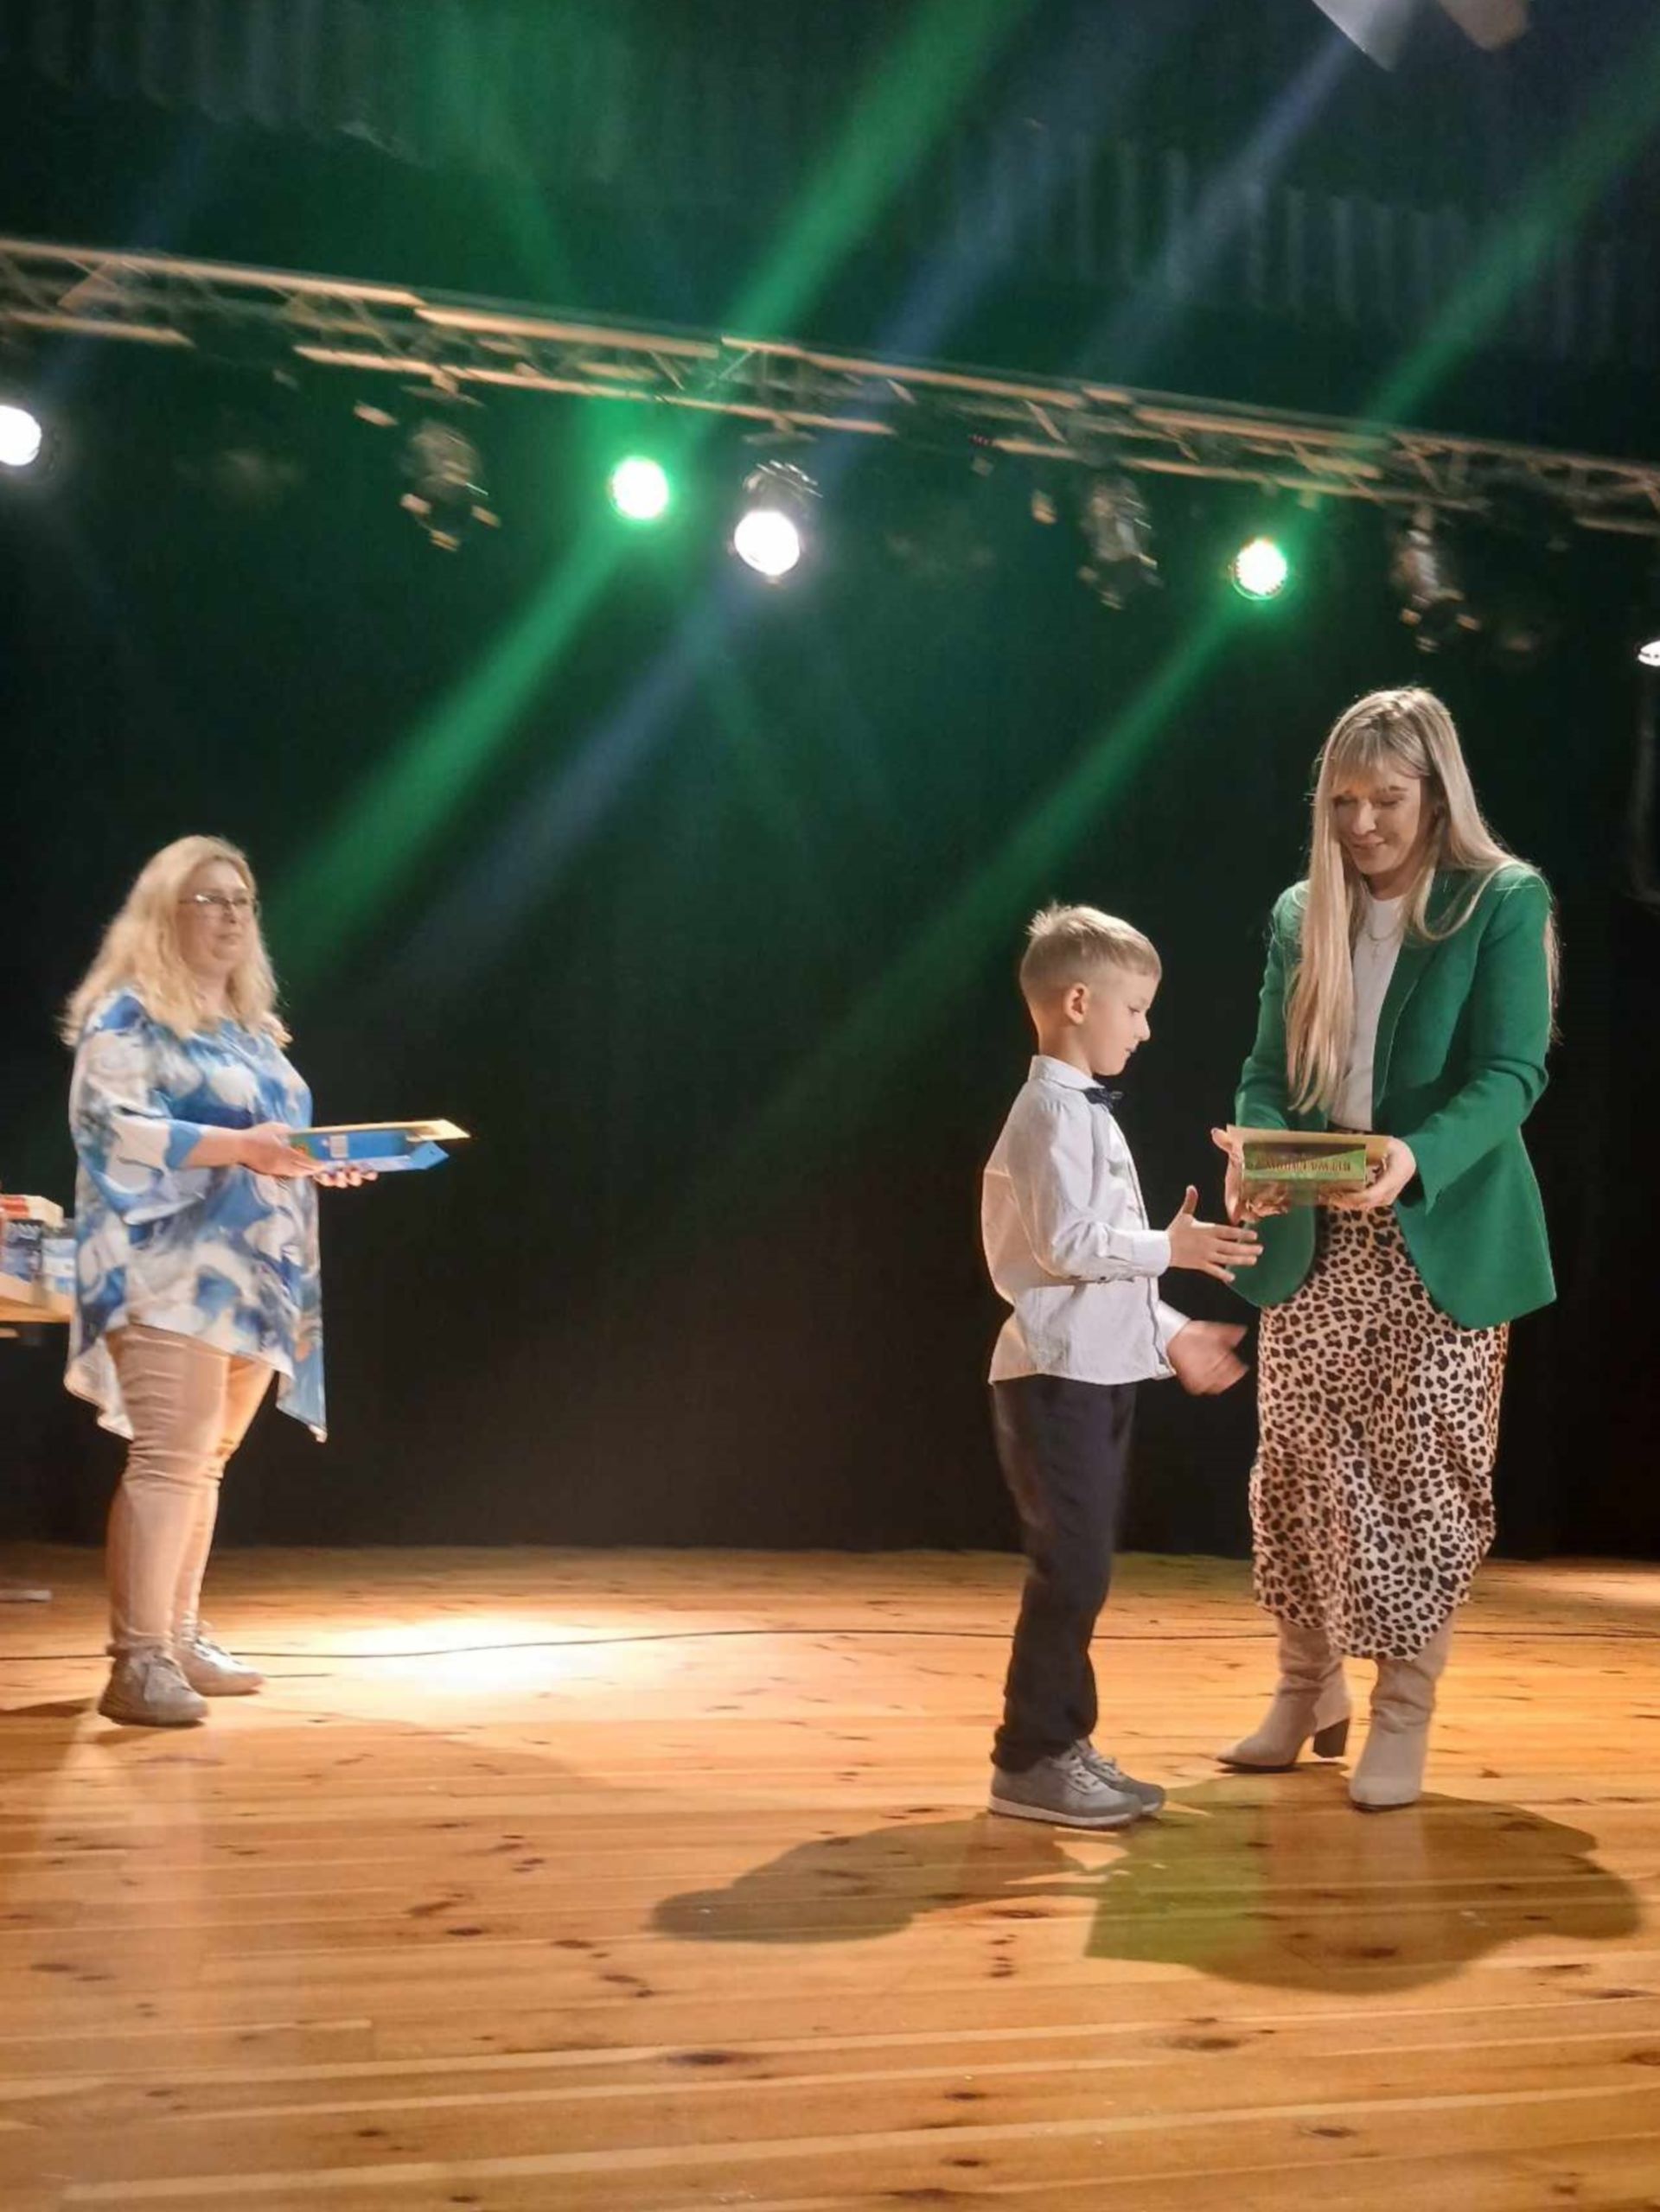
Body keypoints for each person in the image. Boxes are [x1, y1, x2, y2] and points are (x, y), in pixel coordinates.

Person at [1213, 686, 1555, 1810]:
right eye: (1342, 800)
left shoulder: (1499, 899)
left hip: (1437, 1224)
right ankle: (1304, 1690)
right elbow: (1267, 1069)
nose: (1361, 822)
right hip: (1314, 1226)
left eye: (1387, 799)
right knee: (1298, 1463)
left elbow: (1512, 1071)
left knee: (1423, 1475)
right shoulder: (1299, 911)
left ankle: (1403, 1712)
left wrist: (1415, 1154)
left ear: (1436, 794)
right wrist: (1257, 1148)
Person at [62, 836, 371, 1728]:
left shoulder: (250, 1031)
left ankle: (180, 1635)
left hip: (250, 1273)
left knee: (206, 1460)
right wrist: (243, 1145)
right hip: (166, 1270)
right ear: (165, 914)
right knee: (170, 1456)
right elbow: (110, 1126)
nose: (233, 915)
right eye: (210, 899)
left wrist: (317, 1161)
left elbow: (273, 1145)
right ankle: (139, 1660)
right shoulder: (130, 1015)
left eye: (242, 900)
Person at [982, 904, 1261, 1831]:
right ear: (1077, 1003)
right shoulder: (1049, 1112)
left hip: (1095, 1371)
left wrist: (1172, 1329)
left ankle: (1060, 1743)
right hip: (1055, 1377)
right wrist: (1171, 1249)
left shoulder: (1080, 1110)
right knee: (1070, 1570)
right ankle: (1030, 1758)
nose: (1145, 1031)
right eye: (1135, 1009)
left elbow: (1100, 1269)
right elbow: (1067, 1245)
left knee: (1084, 1569)